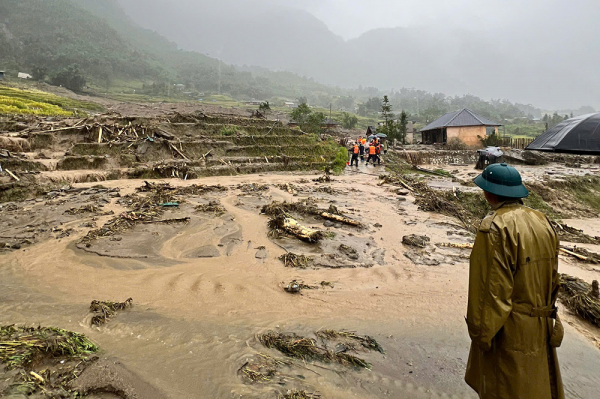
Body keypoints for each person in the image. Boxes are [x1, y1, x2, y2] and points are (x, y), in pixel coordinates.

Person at [466, 163, 564, 399]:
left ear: (489, 193)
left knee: (506, 387)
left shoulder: (494, 228)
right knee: (537, 385)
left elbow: (490, 292)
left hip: (509, 330)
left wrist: (481, 335)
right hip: (541, 325)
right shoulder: (542, 221)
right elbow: (554, 277)